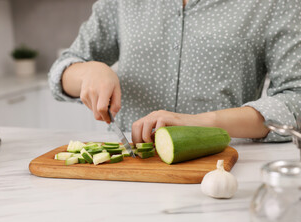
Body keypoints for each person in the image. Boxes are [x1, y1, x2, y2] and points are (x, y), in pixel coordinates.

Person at [48, 0, 301, 144]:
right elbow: (63, 71)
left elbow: (295, 99)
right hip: (128, 168)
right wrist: (89, 71)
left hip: (224, 167)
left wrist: (203, 122)